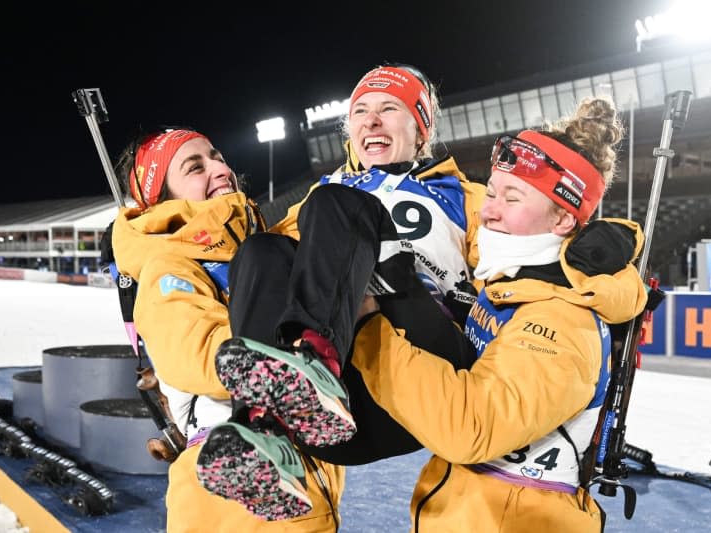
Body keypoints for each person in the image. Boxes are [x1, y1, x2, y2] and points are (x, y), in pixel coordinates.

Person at [195, 63, 486, 521]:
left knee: (334, 204)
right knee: (262, 249)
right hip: (340, 418)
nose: (370, 121)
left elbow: (531, 263)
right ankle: (263, 427)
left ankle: (316, 361)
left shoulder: (468, 198)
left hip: (424, 376)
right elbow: (249, 270)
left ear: (421, 128)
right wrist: (160, 245)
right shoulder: (326, 192)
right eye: (360, 112)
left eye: (388, 109)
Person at [349, 96, 649, 532]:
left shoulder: (561, 317)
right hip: (473, 510)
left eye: (512, 198)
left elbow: (470, 428)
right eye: (491, 192)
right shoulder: (511, 287)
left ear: (564, 219)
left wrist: (367, 329)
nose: (489, 211)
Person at [109, 128, 344, 532]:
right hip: (228, 487)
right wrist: (289, 363)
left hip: (297, 476)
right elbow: (195, 352)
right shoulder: (170, 267)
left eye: (217, 156)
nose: (219, 168)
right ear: (168, 200)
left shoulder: (258, 249)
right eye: (195, 167)